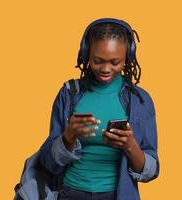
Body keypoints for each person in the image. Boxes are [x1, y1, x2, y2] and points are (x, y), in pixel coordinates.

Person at [39, 18, 160, 200]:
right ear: (87, 54)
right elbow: (47, 163)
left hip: (117, 195)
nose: (105, 68)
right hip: (70, 192)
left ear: (128, 56)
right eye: (98, 61)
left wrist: (131, 146)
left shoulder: (139, 101)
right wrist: (68, 137)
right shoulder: (69, 93)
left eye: (114, 62)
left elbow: (151, 172)